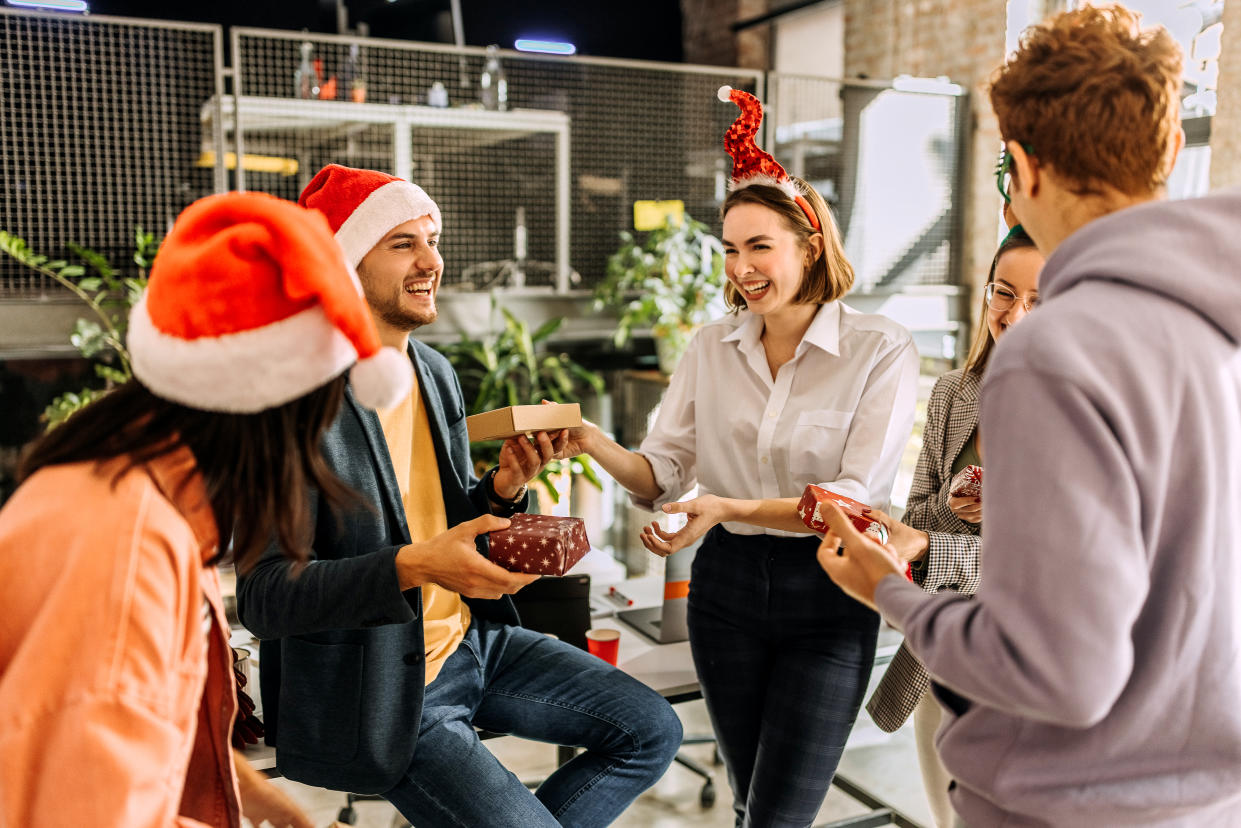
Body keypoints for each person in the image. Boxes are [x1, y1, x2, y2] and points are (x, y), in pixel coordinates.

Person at [814, 5, 1241, 826]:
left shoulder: (1055, 351)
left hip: (1071, 804)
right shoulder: (1217, 332)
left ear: (1020, 166)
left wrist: (885, 591)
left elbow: (1060, 673)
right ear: (1170, 150)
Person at [236, 164, 682, 828]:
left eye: (432, 239)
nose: (432, 261)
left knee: (651, 731)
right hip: (384, 693)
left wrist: (502, 490)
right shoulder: (283, 401)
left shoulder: (433, 372)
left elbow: (448, 523)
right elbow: (266, 598)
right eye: (403, 244)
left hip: (476, 643)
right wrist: (414, 565)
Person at [555, 89, 919, 826]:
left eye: (759, 246)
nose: (740, 267)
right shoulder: (709, 347)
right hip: (723, 593)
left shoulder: (878, 348)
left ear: (809, 246)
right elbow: (663, 472)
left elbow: (847, 501)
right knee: (754, 803)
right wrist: (596, 444)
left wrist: (722, 507)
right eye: (729, 248)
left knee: (780, 815)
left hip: (828, 596)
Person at [0, 191, 413, 826]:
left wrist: (279, 810)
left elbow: (144, 734)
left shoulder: (123, 481)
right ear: (271, 417)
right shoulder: (127, 554)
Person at [863, 228, 1043, 828]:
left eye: (1040, 300)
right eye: (1004, 292)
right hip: (943, 661)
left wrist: (935, 546)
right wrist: (953, 503)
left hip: (1029, 674)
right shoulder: (953, 394)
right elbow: (915, 516)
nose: (1014, 316)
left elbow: (1044, 569)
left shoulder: (1080, 415)